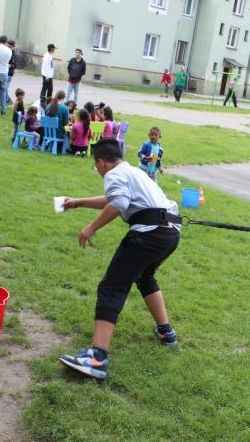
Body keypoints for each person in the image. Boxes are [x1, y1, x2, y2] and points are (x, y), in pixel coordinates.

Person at [58, 139, 182, 380]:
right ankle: (166, 332)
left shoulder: (113, 175)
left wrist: (91, 228)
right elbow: (114, 199)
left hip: (149, 233)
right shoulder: (133, 171)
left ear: (102, 163)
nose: (99, 171)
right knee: (145, 277)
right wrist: (77, 203)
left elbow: (119, 202)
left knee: (111, 286)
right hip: (170, 233)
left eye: (97, 167)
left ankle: (96, 359)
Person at [5, 40, 17, 105]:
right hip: (4, 72)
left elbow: (14, 64)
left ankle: (7, 101)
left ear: (12, 47)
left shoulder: (13, 54)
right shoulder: (6, 52)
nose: (8, 47)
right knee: (4, 89)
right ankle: (8, 100)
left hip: (9, 73)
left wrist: (9, 66)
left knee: (5, 89)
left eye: (9, 46)